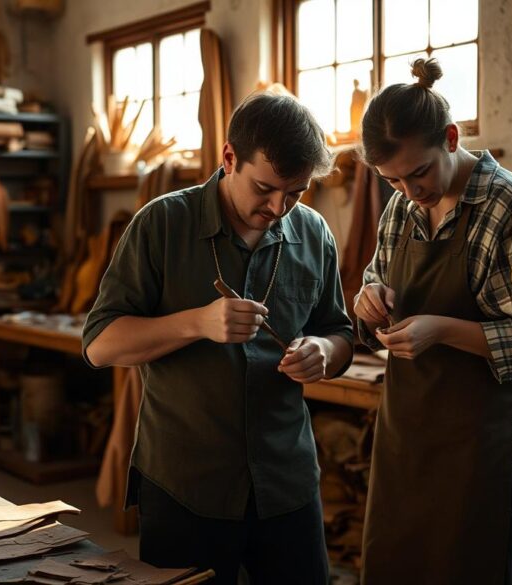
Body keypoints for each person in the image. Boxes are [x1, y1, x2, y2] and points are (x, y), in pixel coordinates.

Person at [83, 92, 354, 584]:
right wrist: (195, 324)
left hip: (286, 480)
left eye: (295, 193)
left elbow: (339, 332)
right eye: (265, 188)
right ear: (229, 157)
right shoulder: (161, 224)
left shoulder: (313, 233)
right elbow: (101, 345)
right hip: (187, 484)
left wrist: (324, 352)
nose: (278, 207)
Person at [354, 58, 512, 585]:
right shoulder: (401, 209)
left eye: (419, 172)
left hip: (485, 458)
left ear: (450, 138)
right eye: (392, 180)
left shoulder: (509, 206)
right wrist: (369, 299)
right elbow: (375, 278)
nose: (410, 191)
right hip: (407, 446)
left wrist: (442, 329)